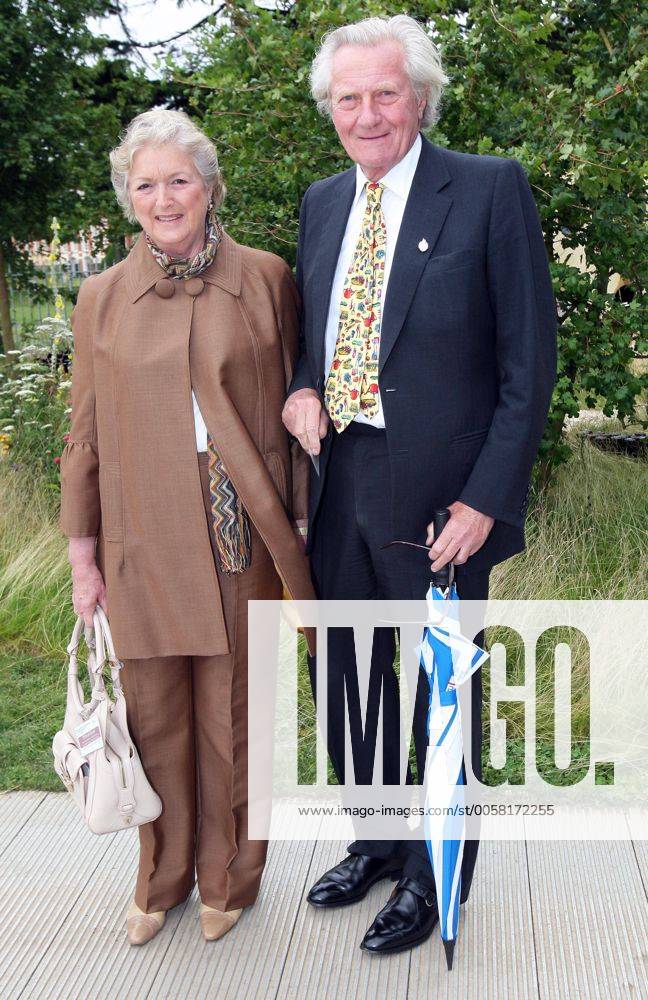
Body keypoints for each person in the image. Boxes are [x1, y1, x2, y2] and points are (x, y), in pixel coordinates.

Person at [282, 15, 557, 955]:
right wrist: (301, 387)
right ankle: (378, 840)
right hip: (342, 479)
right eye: (348, 98)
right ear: (331, 110)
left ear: (422, 98)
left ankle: (437, 880)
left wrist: (487, 498)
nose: (367, 114)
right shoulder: (322, 203)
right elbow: (310, 336)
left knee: (442, 694)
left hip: (445, 500)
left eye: (385, 93)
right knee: (350, 677)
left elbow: (529, 365)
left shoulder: (486, 190)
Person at [59, 109, 314, 947]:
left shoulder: (269, 277)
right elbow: (85, 432)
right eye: (145, 184)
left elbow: (293, 408)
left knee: (236, 717)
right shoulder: (99, 298)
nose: (164, 198)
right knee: (156, 717)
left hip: (243, 526)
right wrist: (81, 552)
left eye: (179, 180)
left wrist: (302, 518)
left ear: (209, 187)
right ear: (127, 198)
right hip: (142, 536)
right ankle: (161, 877)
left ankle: (229, 879)